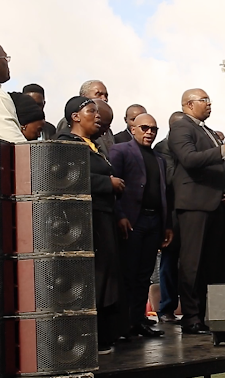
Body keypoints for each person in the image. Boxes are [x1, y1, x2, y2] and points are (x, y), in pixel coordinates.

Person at [57, 96, 124, 354]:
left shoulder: (95, 146)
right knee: (92, 276)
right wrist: (108, 183)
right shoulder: (66, 144)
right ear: (75, 116)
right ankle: (85, 339)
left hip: (105, 215)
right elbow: (69, 177)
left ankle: (106, 333)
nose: (97, 115)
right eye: (91, 111)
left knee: (107, 275)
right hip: (84, 220)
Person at [168, 89, 225, 334]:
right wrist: (222, 150)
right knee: (192, 262)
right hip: (194, 204)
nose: (209, 104)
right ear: (189, 104)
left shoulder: (206, 129)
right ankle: (191, 316)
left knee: (211, 263)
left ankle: (207, 313)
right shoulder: (181, 127)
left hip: (215, 203)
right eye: (204, 100)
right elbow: (189, 159)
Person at [110, 113, 173, 338]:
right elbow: (112, 187)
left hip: (154, 220)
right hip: (131, 221)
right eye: (145, 128)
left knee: (144, 275)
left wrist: (167, 225)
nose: (150, 132)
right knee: (128, 273)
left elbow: (163, 193)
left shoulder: (159, 159)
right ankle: (123, 324)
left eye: (154, 129)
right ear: (133, 128)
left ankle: (137, 322)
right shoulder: (120, 151)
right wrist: (120, 215)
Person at [153, 111, 185, 324]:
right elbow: (170, 180)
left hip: (189, 211)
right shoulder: (163, 149)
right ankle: (166, 308)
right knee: (169, 263)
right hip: (171, 213)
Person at [56, 80, 114, 151]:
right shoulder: (68, 122)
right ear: (84, 96)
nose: (104, 98)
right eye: (98, 94)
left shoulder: (107, 130)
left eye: (106, 95)